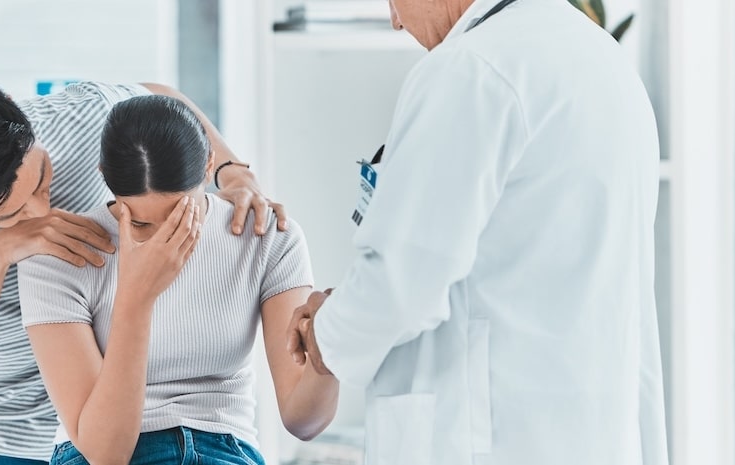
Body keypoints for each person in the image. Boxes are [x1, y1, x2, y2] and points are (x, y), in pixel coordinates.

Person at [285, 0, 668, 464]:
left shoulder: (470, 69)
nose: (395, 20)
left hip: (495, 440)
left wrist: (325, 333)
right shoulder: (602, 60)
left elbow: (403, 284)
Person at [0, 71, 288, 465]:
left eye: (40, 179)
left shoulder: (82, 115)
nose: (41, 211)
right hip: (1, 440)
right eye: (5, 214)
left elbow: (163, 100)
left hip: (127, 424)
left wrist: (232, 171)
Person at [16, 94, 340, 465]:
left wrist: (326, 353)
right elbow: (106, 453)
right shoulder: (58, 258)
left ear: (208, 166)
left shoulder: (267, 237)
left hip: (223, 450)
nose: (160, 241)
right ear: (104, 175)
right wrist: (136, 298)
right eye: (138, 223)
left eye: (181, 216)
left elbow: (303, 422)